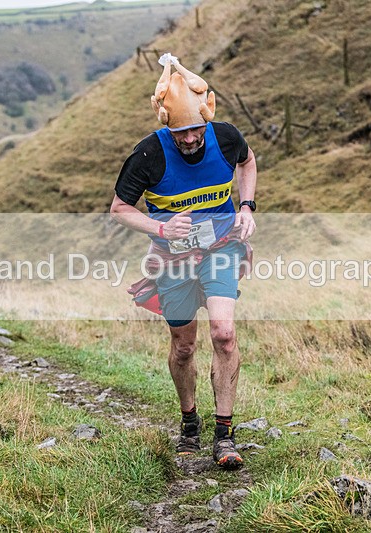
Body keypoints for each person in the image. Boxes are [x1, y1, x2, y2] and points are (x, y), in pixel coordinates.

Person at [110, 53, 257, 470]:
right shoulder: (148, 155)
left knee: (224, 334)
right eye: (180, 133)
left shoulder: (225, 137)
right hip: (172, 258)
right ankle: (189, 423)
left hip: (221, 247)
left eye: (195, 130)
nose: (190, 139)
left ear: (205, 121)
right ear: (166, 126)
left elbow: (247, 161)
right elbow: (120, 209)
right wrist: (160, 229)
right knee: (184, 346)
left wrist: (246, 207)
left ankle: (224, 435)